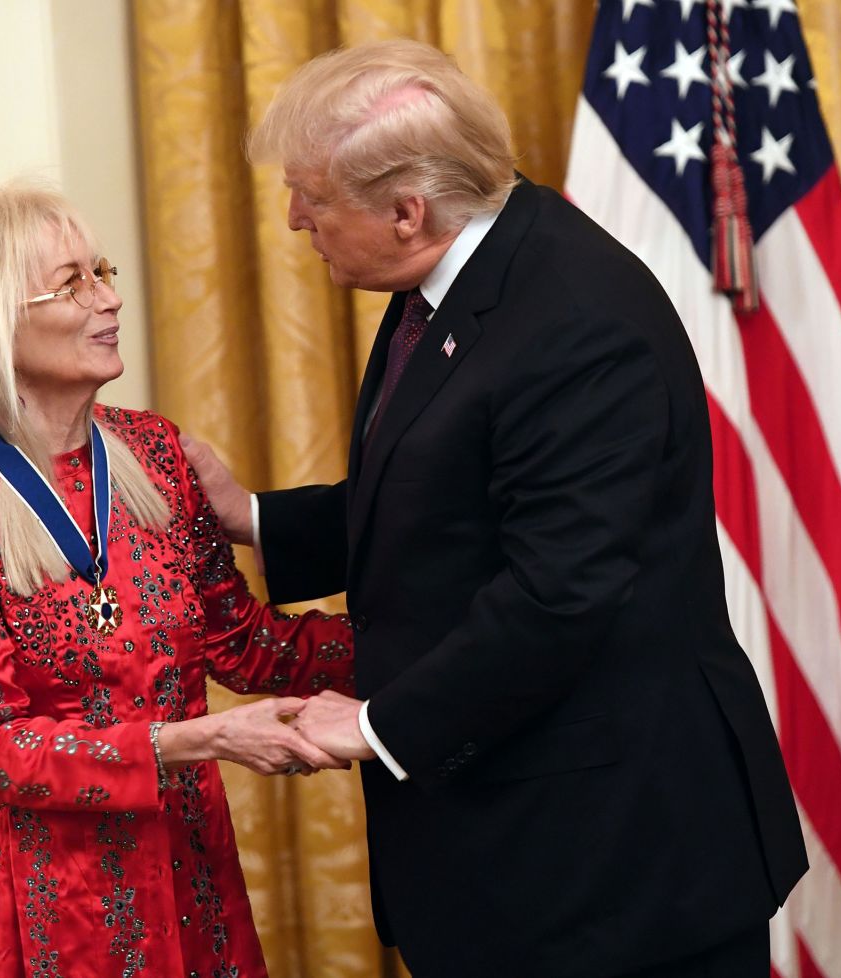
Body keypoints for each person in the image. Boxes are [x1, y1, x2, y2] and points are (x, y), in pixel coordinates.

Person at [184, 39, 808, 977]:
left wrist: (373, 724)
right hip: (524, 856)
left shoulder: (573, 319)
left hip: (614, 870)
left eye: (312, 195)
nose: (292, 218)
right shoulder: (467, 273)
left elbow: (561, 592)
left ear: (406, 210)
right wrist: (257, 518)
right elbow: (451, 498)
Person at [0, 183, 354, 978]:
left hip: (178, 863)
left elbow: (243, 647)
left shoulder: (158, 454)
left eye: (103, 272)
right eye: (73, 284)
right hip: (21, 892)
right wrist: (199, 740)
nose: (110, 300)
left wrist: (444, 646)